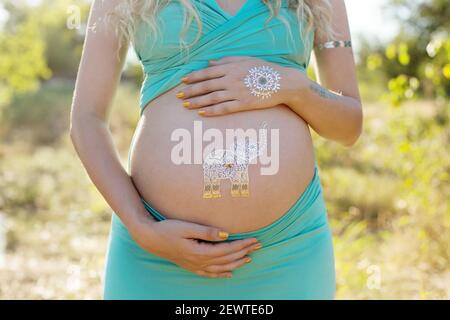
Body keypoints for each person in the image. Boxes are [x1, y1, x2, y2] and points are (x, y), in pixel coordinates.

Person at [70, 0, 362, 299]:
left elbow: (349, 126)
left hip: (287, 249)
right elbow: (86, 118)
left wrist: (291, 87)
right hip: (156, 251)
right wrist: (141, 226)